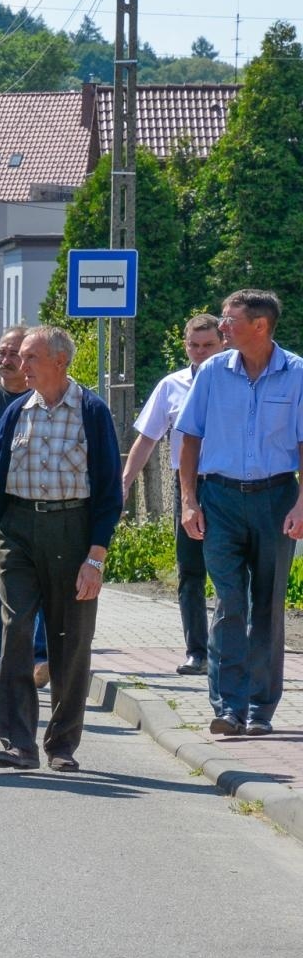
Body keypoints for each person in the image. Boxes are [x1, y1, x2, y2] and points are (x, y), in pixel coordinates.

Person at [0, 325, 121, 771]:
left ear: (60, 362)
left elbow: (109, 491)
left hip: (72, 529)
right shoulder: (17, 411)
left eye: (31, 357)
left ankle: (61, 745)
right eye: (20, 356)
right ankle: (18, 743)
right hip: (18, 531)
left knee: (70, 639)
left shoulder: (91, 412)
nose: (20, 365)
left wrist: (95, 557)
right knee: (16, 630)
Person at [178, 291, 303, 739]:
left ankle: (259, 709)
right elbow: (189, 437)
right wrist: (189, 500)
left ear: (260, 326)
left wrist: (301, 504)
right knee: (229, 602)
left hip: (276, 499)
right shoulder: (213, 372)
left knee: (267, 604)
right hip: (220, 500)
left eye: (229, 320)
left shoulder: (297, 373)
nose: (222, 327)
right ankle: (228, 707)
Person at [121, 313, 223, 676]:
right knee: (190, 571)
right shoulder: (172, 385)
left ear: (223, 344)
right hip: (189, 485)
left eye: (208, 345)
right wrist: (124, 482)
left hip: (229, 484)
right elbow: (147, 438)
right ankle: (197, 651)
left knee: (230, 571)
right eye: (194, 345)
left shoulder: (236, 382)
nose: (200, 352)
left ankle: (230, 649)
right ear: (185, 346)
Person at [0, 326, 48, 687]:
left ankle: (38, 657)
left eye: (15, 354)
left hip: (31, 509)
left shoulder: (44, 401)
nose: (6, 361)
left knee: (33, 589)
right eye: (2, 352)